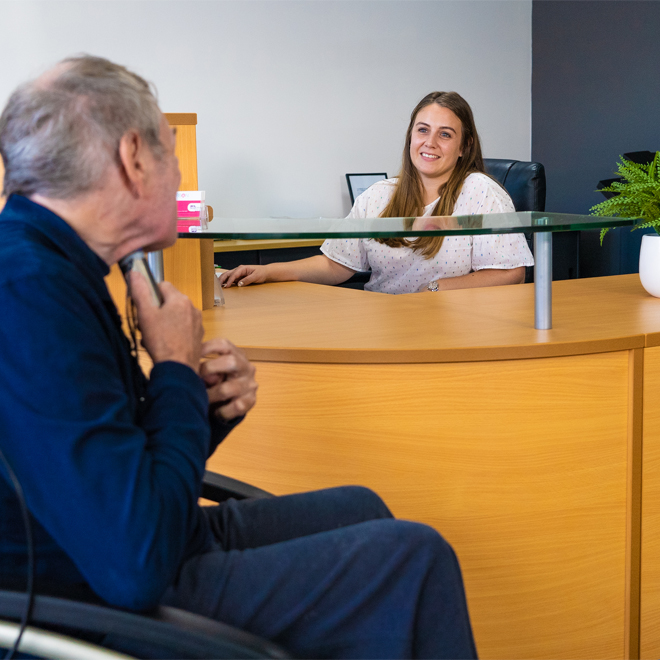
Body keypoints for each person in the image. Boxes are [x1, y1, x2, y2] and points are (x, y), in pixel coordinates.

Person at [0, 56, 477, 659]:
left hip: (136, 543)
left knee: (361, 508)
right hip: (92, 603)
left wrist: (201, 408)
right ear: (132, 158)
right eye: (170, 155)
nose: (179, 177)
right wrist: (173, 368)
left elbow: (118, 470)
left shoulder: (56, 266)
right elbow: (133, 564)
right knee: (415, 556)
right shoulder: (27, 291)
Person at [218, 91, 534, 295]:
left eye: (445, 134)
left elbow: (510, 274)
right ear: (411, 136)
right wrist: (268, 272)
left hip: (450, 326)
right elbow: (336, 265)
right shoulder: (378, 196)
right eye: (422, 130)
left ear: (465, 146)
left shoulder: (482, 193)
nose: (430, 142)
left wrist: (433, 290)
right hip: (380, 321)